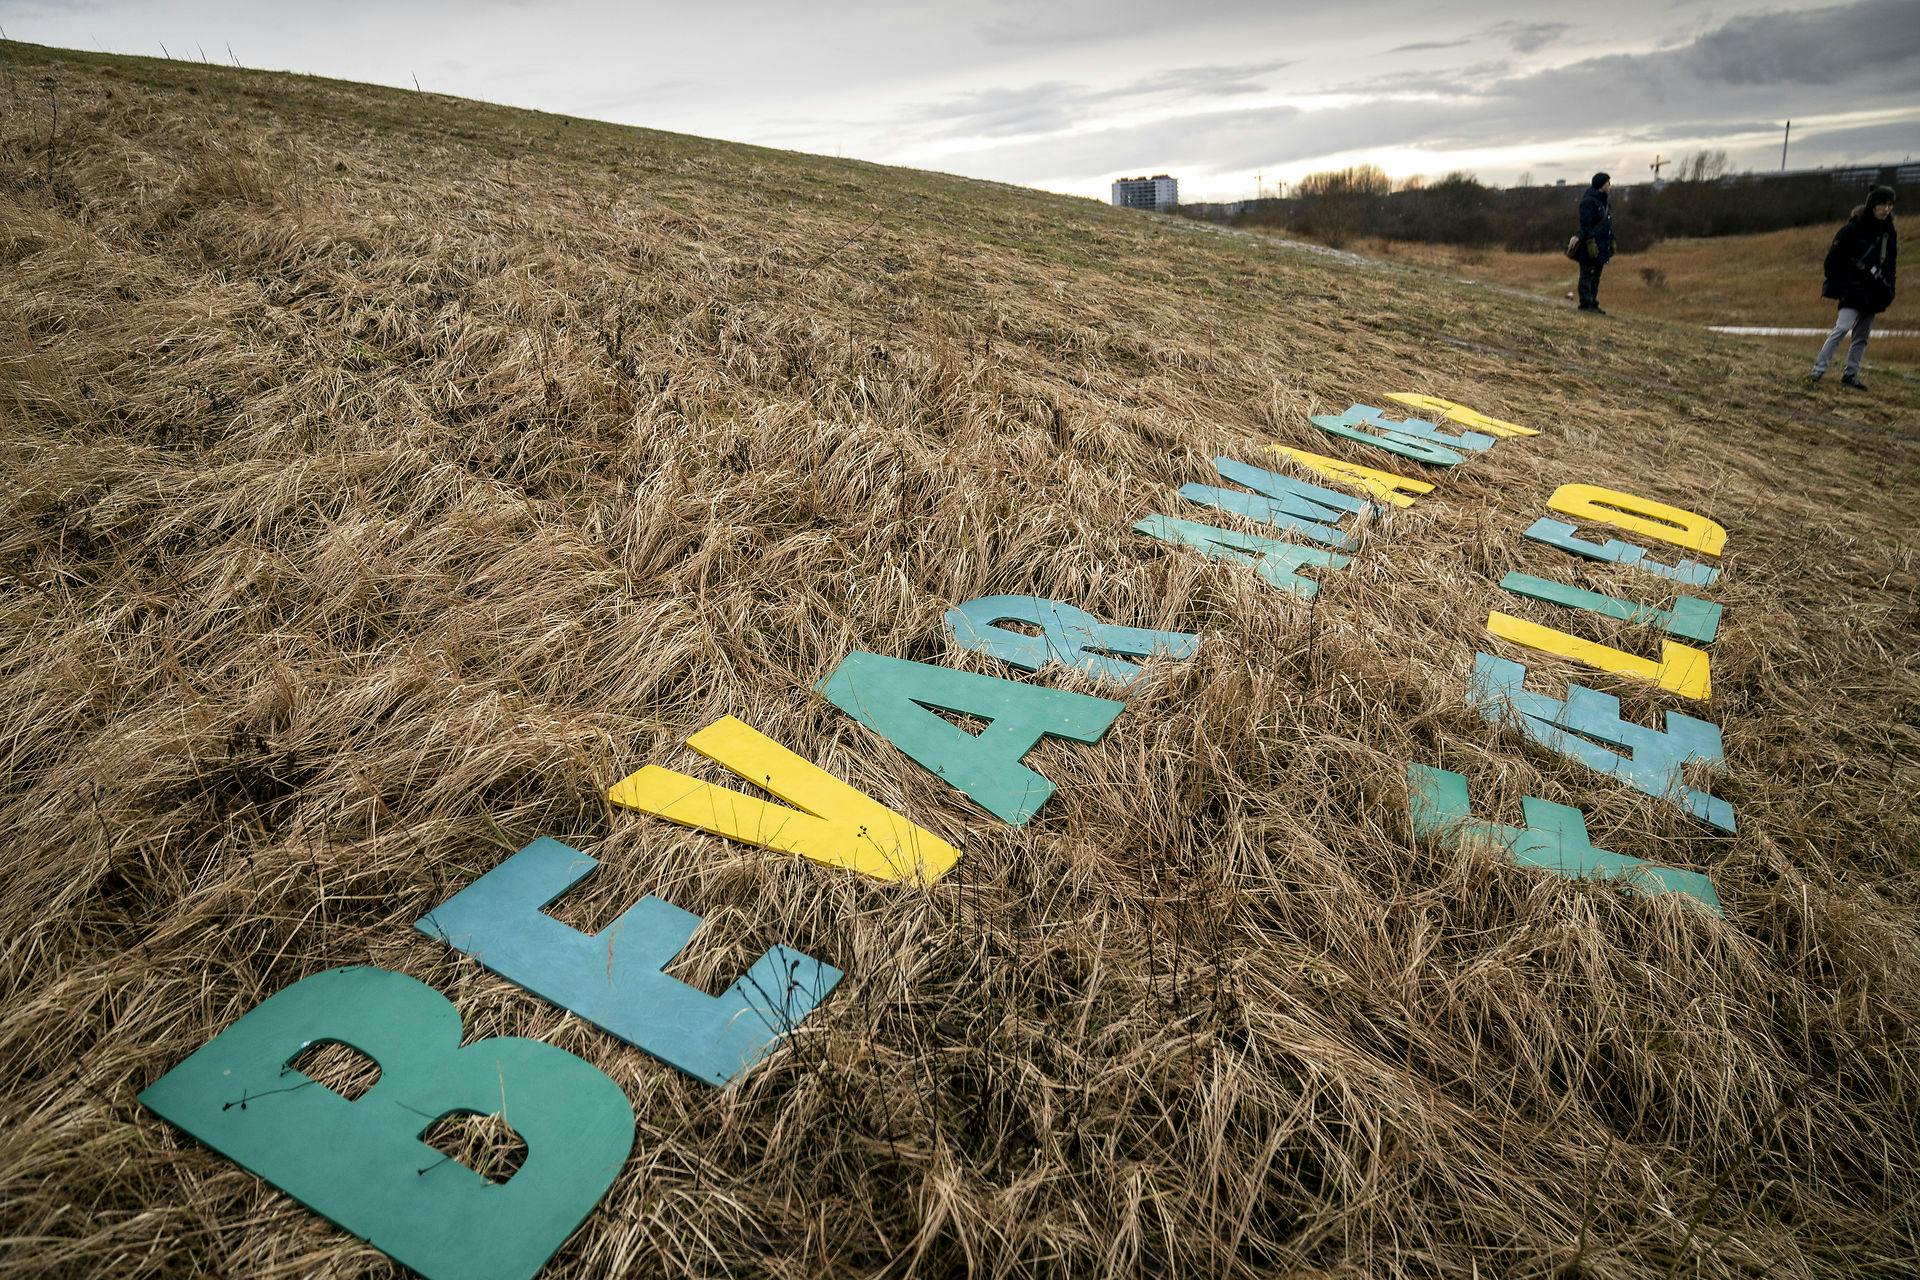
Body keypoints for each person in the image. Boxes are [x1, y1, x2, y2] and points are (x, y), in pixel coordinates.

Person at [1810, 185, 1897, 389]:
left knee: (1861, 337)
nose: (1886, 209)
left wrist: (1890, 289)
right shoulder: (1851, 230)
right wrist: (1843, 286)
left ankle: (1851, 375)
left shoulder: (1889, 233)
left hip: (1874, 292)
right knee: (1841, 328)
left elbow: (1890, 265)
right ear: (1873, 205)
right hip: (1852, 289)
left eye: (1890, 205)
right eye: (1882, 204)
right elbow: (1832, 262)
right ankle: (1818, 370)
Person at [1576, 172, 1614, 313]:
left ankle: (1593, 303)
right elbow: (1585, 224)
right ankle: (1585, 304)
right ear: (1600, 185)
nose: (1610, 186)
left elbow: (1607, 224)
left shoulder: (1605, 202)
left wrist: (1612, 240)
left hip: (1603, 245)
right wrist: (1590, 242)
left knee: (1596, 276)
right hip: (1589, 245)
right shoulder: (1588, 201)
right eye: (1607, 183)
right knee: (1587, 275)